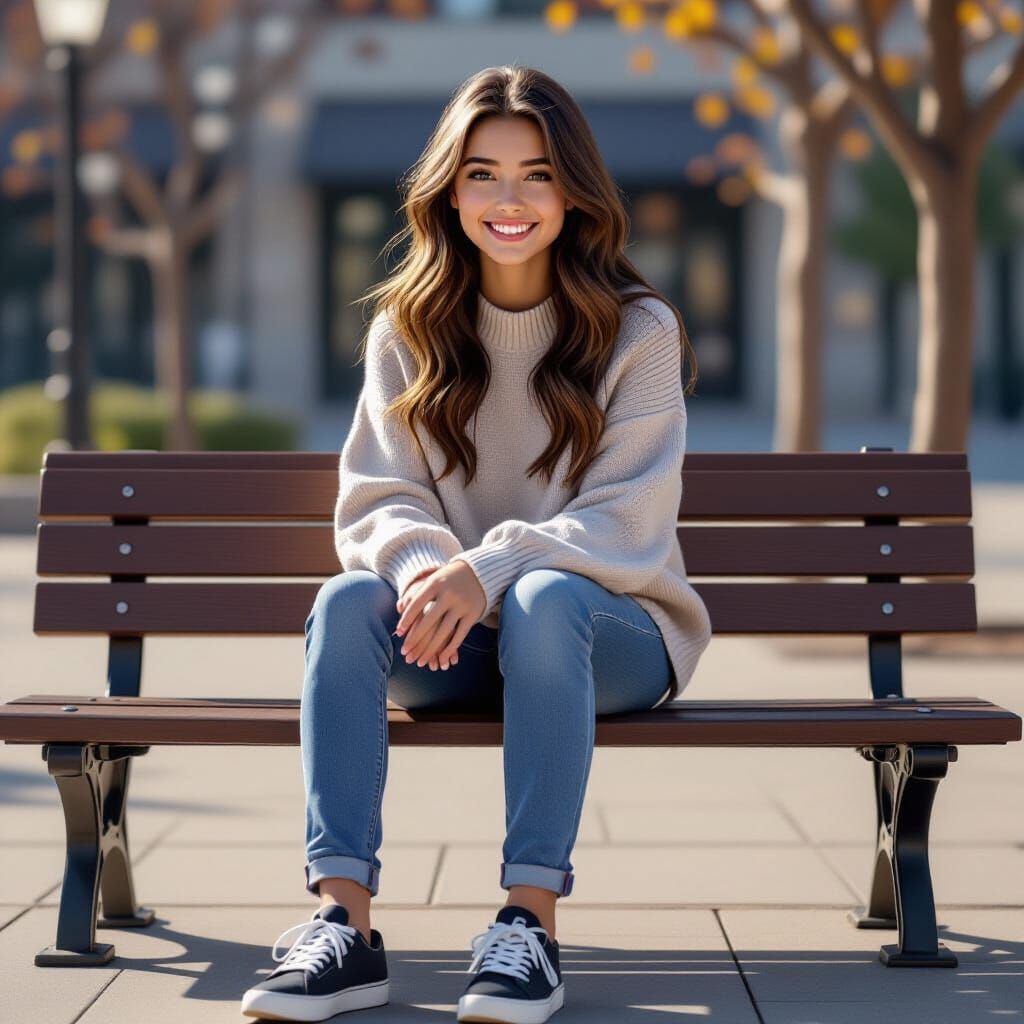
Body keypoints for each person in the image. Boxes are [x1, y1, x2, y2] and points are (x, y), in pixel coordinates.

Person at [241, 63, 712, 1024]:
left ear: (573, 189)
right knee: (344, 600)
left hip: (611, 632)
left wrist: (485, 565)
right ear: (449, 190)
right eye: (483, 173)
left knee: (542, 602)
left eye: (537, 173)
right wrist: (427, 570)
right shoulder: (407, 327)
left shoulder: (638, 330)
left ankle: (526, 927)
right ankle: (343, 928)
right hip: (449, 635)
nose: (510, 199)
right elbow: (378, 499)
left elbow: (625, 520)